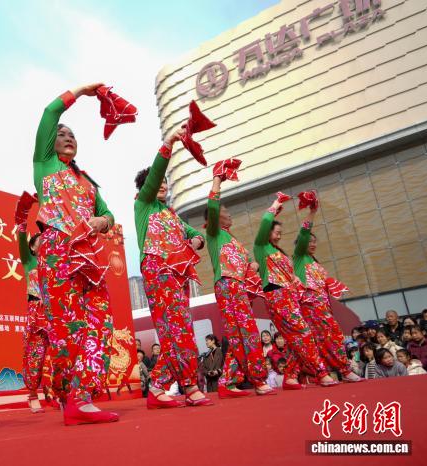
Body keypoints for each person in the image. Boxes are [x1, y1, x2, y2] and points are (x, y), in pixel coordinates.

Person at [33, 83, 119, 425]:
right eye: (61, 134)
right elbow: (49, 113)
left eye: (72, 135)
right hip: (58, 250)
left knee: (101, 322)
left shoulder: (88, 182)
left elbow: (108, 214)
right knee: (67, 328)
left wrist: (102, 221)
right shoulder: (45, 164)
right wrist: (81, 92)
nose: (68, 137)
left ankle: (80, 397)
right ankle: (70, 395)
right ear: (50, 142)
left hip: (90, 257)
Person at [133, 127, 212, 409]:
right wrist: (168, 143)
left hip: (178, 274)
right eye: (157, 183)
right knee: (177, 327)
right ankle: (190, 386)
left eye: (165, 183)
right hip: (158, 270)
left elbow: (193, 233)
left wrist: (197, 239)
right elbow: (155, 176)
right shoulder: (144, 205)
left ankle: (157, 386)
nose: (162, 185)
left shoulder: (172, 215)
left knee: (178, 330)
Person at [253, 196, 337, 389]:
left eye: (281, 233)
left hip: (289, 297)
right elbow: (265, 222)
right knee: (304, 333)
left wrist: (294, 278)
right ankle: (320, 372)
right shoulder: (261, 247)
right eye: (277, 232)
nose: (279, 236)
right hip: (277, 296)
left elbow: (286, 272)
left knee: (294, 338)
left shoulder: (278, 252)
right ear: (267, 233)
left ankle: (290, 377)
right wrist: (276, 204)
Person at [205, 171, 274, 397]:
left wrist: (252, 265)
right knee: (246, 331)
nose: (229, 214)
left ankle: (228, 381)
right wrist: (217, 180)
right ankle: (258, 379)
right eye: (225, 212)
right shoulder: (214, 233)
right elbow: (213, 206)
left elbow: (249, 263)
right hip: (227, 284)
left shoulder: (233, 239)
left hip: (239, 286)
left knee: (239, 334)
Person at [292, 203, 362, 382]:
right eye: (309, 241)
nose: (313, 244)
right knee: (329, 335)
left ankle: (324, 373)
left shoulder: (314, 262)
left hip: (322, 307)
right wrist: (312, 212)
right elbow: (304, 232)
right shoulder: (299, 258)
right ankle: (339, 371)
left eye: (315, 241)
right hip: (310, 306)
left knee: (325, 337)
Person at [15, 194, 50, 414]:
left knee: (61, 354)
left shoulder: (54, 264)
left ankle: (62, 394)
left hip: (55, 312)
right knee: (36, 354)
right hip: (37, 312)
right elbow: (21, 237)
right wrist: (24, 213)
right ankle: (32, 394)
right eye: (40, 240)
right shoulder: (30, 262)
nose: (44, 242)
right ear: (33, 248)